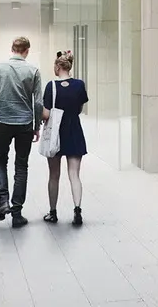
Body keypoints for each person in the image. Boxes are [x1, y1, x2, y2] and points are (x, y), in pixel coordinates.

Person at [0, 35, 40, 226]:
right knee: (21, 166)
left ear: (12, 48)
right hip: (25, 123)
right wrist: (37, 125)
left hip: (4, 123)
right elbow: (38, 102)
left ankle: (3, 200)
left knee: (0, 160)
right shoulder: (33, 70)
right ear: (26, 51)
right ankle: (17, 212)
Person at [38, 48, 89, 226]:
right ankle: (77, 211)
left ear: (57, 67)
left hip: (55, 134)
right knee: (74, 174)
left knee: (54, 175)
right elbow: (79, 109)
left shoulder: (51, 86)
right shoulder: (80, 85)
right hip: (74, 131)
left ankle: (53, 212)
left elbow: (45, 114)